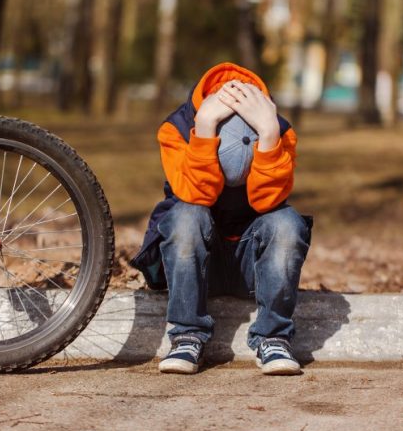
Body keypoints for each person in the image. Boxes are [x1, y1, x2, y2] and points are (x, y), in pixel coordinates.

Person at [130, 62, 312, 375]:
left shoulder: (281, 132)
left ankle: (273, 337)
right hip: (196, 265)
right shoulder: (174, 129)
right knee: (186, 216)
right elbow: (195, 194)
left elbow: (268, 199)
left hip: (252, 268)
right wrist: (204, 129)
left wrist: (268, 134)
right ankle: (187, 335)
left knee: (287, 223)